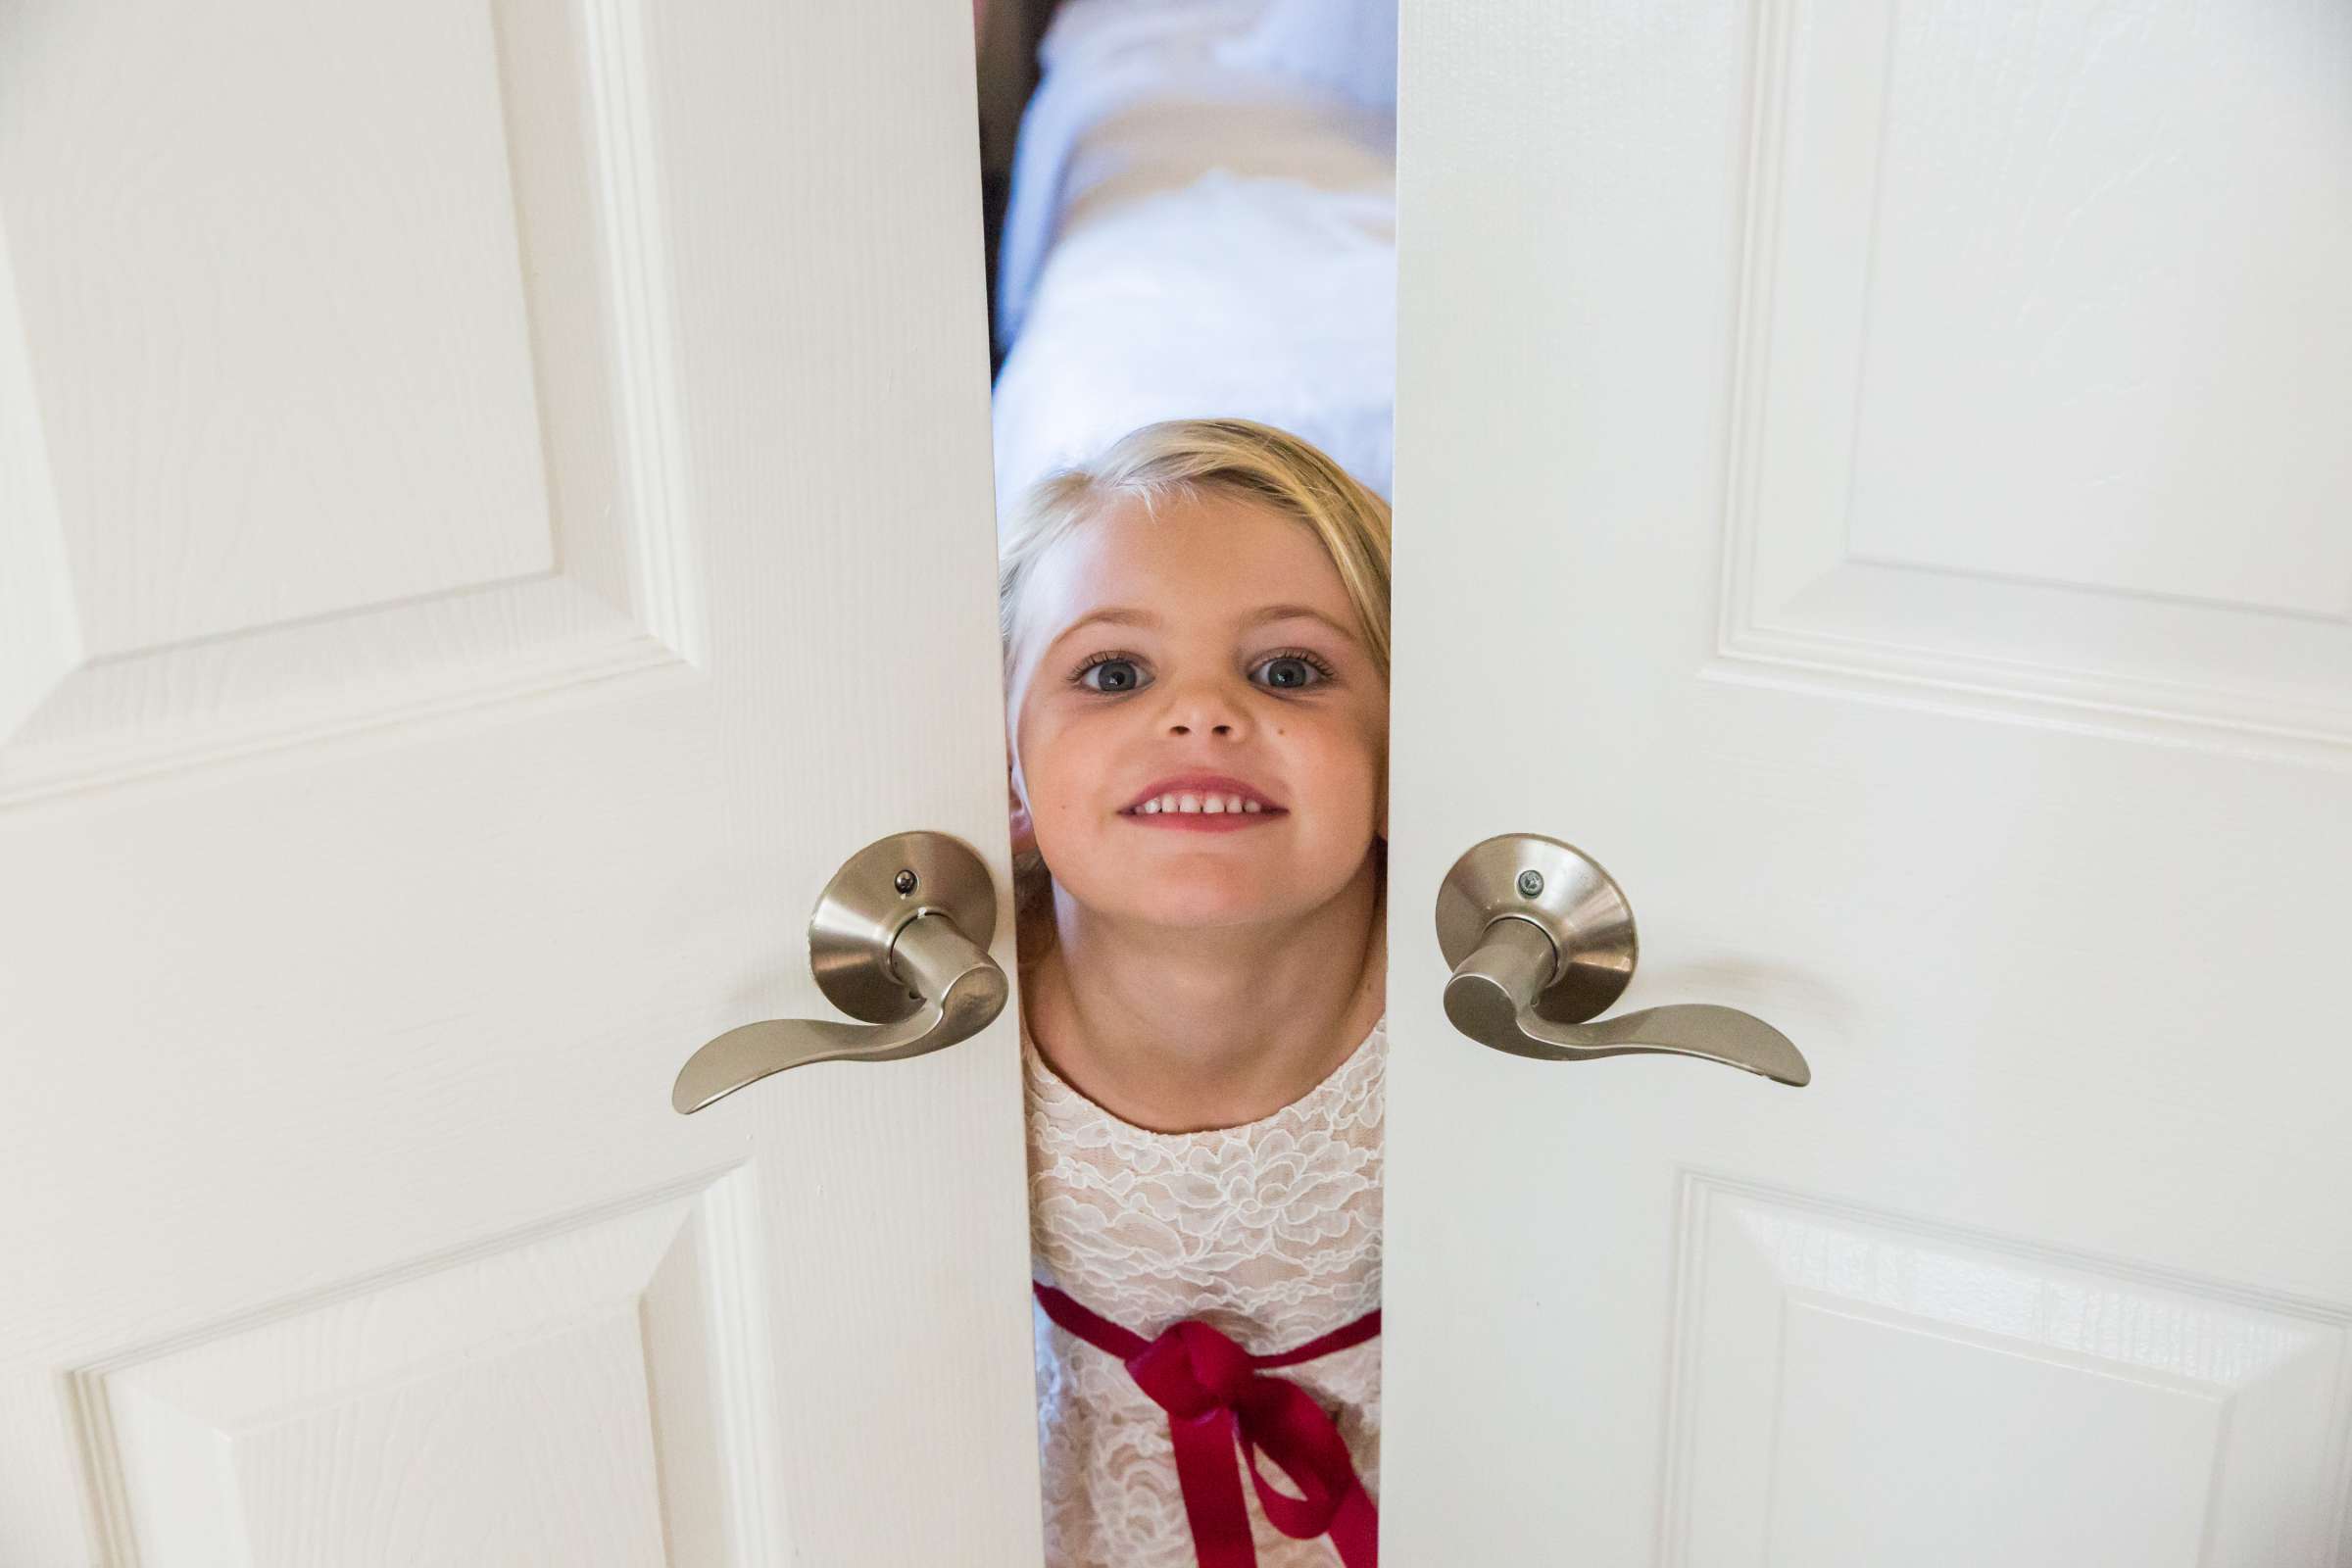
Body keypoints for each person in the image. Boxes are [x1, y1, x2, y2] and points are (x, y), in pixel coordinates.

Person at [998, 416, 1389, 1567]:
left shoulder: (1477, 1003)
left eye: (1289, 670)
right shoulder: (951, 1009)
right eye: (1114, 672)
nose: (1203, 712)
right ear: (1007, 769)